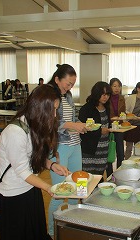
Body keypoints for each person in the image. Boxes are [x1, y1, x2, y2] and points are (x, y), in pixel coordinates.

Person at [0, 84, 69, 240]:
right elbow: (22, 170)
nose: (55, 115)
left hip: (31, 190)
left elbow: (33, 157)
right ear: (40, 108)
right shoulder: (14, 132)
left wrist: (52, 165)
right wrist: (48, 187)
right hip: (14, 196)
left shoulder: (33, 125)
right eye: (53, 110)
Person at [47, 64, 88, 237]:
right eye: (68, 83)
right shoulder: (48, 96)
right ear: (57, 79)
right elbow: (48, 122)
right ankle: (51, 232)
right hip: (59, 148)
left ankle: (71, 226)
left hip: (74, 145)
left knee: (77, 188)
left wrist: (80, 126)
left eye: (72, 84)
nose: (69, 87)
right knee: (59, 191)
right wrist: (72, 125)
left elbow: (71, 119)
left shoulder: (68, 95)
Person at [79, 81, 112, 175]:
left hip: (103, 148)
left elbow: (107, 124)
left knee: (99, 175)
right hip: (89, 149)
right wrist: (100, 131)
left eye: (107, 94)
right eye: (103, 94)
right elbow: (82, 131)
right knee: (88, 176)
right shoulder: (87, 109)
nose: (105, 97)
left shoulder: (106, 108)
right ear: (96, 93)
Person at [124, 82, 140, 159]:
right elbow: (125, 110)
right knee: (129, 147)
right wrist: (133, 116)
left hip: (139, 125)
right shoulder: (131, 98)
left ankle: (137, 161)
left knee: (139, 147)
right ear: (138, 89)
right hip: (130, 125)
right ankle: (127, 161)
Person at [107, 78, 125, 176]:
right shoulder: (106, 98)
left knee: (120, 151)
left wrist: (123, 116)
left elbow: (123, 113)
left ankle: (120, 173)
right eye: (114, 86)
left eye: (119, 86)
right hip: (109, 126)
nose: (117, 88)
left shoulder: (122, 98)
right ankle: (110, 174)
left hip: (119, 127)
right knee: (110, 150)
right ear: (110, 87)